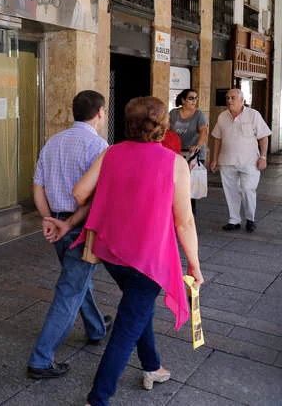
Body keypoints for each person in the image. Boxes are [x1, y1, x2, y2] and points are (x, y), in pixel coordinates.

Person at [45, 96, 203, 406]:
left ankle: (152, 366)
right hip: (150, 260)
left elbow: (79, 194)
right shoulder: (175, 163)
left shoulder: (111, 153)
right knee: (127, 325)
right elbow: (184, 223)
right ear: (162, 125)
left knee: (136, 309)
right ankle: (98, 397)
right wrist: (194, 266)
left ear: (128, 122)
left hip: (113, 253)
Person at [26, 90, 112, 379]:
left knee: (77, 280)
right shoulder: (98, 145)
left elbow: (38, 186)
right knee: (69, 290)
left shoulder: (53, 142)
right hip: (79, 226)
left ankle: (96, 328)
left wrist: (47, 218)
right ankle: (41, 359)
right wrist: (70, 222)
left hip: (56, 224)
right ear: (100, 112)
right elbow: (96, 196)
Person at [209, 88, 271, 232]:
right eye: (228, 98)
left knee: (248, 189)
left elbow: (263, 137)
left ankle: (250, 219)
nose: (229, 100)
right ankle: (234, 220)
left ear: (242, 100)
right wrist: (214, 159)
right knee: (230, 191)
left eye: (233, 98)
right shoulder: (222, 116)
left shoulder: (253, 115)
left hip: (250, 162)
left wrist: (263, 157)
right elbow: (217, 138)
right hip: (227, 161)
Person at [169, 89, 208, 162]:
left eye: (196, 98)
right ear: (183, 100)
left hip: (194, 154)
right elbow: (166, 130)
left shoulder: (199, 114)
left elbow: (204, 131)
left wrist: (198, 146)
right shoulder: (173, 113)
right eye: (191, 98)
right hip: (177, 152)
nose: (194, 100)